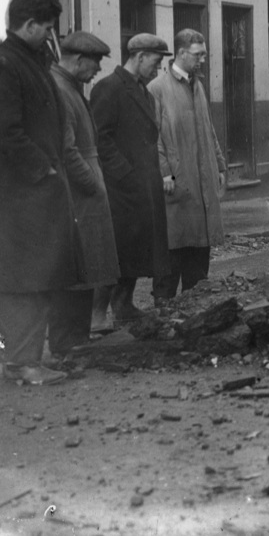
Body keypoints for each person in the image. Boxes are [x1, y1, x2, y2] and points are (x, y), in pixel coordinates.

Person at [0, 0, 77, 385]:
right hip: (23, 195)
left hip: (36, 193)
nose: (50, 36)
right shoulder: (5, 64)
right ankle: (21, 364)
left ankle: (24, 358)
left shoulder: (30, 62)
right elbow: (4, 132)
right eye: (47, 28)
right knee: (24, 279)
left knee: (37, 276)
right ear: (29, 25)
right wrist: (44, 170)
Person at [90, 33, 171, 322]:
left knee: (138, 251)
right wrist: (126, 174)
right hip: (119, 191)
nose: (158, 69)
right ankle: (96, 314)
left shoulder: (145, 93)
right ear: (139, 57)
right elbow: (99, 140)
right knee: (116, 253)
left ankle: (123, 306)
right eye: (156, 62)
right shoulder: (108, 88)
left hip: (143, 188)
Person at [51, 31, 122, 338]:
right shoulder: (60, 90)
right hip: (78, 194)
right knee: (79, 268)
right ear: (78, 61)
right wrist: (92, 184)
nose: (98, 70)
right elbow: (66, 151)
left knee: (88, 266)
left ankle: (78, 336)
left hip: (86, 188)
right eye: (95, 63)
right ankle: (70, 340)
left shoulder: (71, 86)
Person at [148, 29, 227, 301]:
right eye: (198, 54)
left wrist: (219, 164)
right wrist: (165, 173)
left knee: (198, 258)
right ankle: (164, 313)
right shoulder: (157, 89)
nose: (202, 59)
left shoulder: (198, 85)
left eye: (204, 54)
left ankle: (196, 314)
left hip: (201, 183)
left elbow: (209, 129)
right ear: (181, 53)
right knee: (173, 252)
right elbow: (153, 137)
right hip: (177, 185)